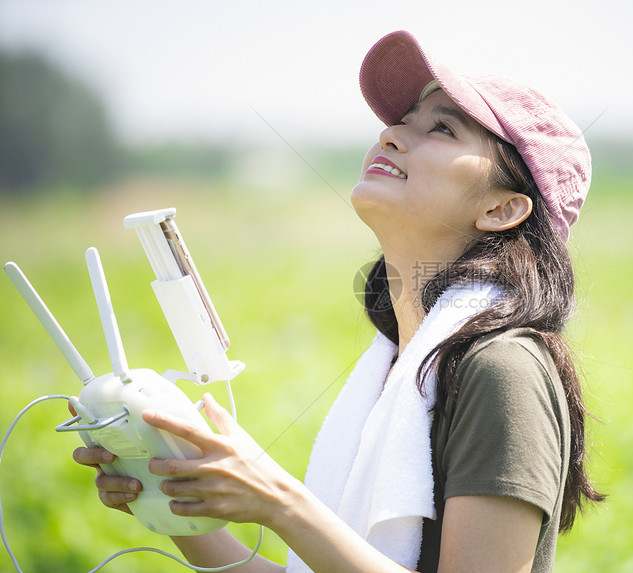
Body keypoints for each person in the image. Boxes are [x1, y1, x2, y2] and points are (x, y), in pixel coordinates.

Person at [72, 30, 604, 572]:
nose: (392, 133)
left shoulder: (502, 368)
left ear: (501, 209)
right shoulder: (394, 367)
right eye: (403, 120)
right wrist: (165, 481)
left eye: (442, 127)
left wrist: (280, 501)